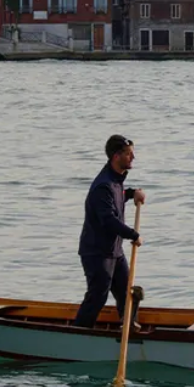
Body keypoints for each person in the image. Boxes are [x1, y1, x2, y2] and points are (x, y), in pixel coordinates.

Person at [72, 134, 147, 329]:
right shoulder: (102, 186)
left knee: (125, 292)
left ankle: (128, 326)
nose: (133, 157)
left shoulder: (115, 180)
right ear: (116, 156)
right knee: (98, 295)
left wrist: (131, 194)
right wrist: (133, 235)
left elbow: (119, 195)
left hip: (113, 250)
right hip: (97, 252)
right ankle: (80, 332)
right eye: (129, 154)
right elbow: (108, 221)